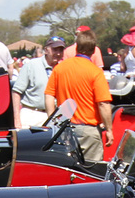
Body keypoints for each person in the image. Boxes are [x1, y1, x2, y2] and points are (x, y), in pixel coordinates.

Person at [44, 29, 113, 161]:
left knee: (67, 169)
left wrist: (52, 122)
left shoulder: (59, 68)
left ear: (76, 48)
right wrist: (109, 129)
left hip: (64, 129)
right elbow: (103, 103)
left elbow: (48, 96)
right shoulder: (95, 72)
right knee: (91, 173)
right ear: (94, 51)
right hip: (88, 130)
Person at [12, 37, 62, 127]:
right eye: (55, 50)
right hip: (31, 115)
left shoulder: (62, 69)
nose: (58, 53)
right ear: (46, 50)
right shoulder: (31, 65)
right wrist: (16, 119)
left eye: (61, 50)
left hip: (53, 117)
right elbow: (16, 92)